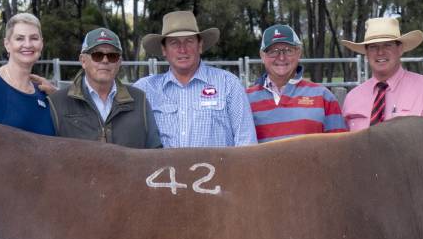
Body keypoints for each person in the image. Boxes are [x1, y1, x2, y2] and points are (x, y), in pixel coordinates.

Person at [132, 10, 256, 148]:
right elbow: (132, 143)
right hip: (165, 170)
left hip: (220, 169)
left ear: (200, 45)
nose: (182, 49)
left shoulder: (228, 84)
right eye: (174, 43)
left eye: (189, 41)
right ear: (164, 50)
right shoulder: (144, 90)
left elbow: (246, 143)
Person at [48, 28, 161, 148]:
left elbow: (154, 149)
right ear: (83, 60)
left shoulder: (139, 100)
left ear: (119, 62)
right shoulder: (57, 103)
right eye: (97, 55)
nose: (105, 60)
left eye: (112, 56)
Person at [339, 17, 423, 131]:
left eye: (387, 45)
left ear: (400, 49)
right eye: (373, 47)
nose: (380, 52)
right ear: (366, 53)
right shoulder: (353, 98)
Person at [245, 24, 347, 143]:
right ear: (262, 56)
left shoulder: (323, 96)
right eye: (273, 51)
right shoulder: (245, 99)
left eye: (288, 50)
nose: (281, 57)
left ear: (299, 53)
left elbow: (339, 147)